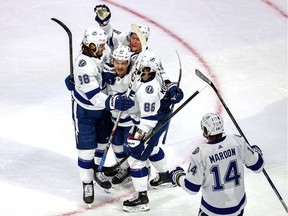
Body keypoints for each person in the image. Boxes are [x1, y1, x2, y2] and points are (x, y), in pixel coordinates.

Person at [94, 4, 184, 188]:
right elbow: (110, 35)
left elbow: (162, 76)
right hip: (132, 110)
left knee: (142, 151)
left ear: (146, 40)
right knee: (143, 148)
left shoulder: (148, 58)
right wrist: (104, 22)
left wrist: (172, 88)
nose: (134, 41)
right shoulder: (124, 46)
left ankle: (142, 188)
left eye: (138, 38)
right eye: (133, 37)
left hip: (145, 112)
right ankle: (160, 174)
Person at [65, 26, 134, 205]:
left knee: (102, 146)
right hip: (85, 112)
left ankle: (97, 170)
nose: (104, 48)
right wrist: (114, 102)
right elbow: (94, 96)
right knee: (86, 151)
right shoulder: (83, 65)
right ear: (93, 46)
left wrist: (109, 73)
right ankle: (87, 182)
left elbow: (109, 63)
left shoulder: (100, 53)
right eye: (101, 46)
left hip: (102, 111)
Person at [170, 113, 264, 216]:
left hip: (212, 211)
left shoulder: (200, 154)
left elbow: (191, 187)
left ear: (206, 131)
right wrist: (256, 152)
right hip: (237, 209)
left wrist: (178, 176)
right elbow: (258, 166)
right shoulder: (237, 141)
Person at [101, 45, 135, 185]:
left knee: (131, 149)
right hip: (115, 120)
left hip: (131, 121)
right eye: (117, 63)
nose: (120, 66)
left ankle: (141, 170)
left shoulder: (133, 76)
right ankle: (124, 169)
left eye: (123, 63)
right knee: (117, 147)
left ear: (128, 63)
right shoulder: (108, 73)